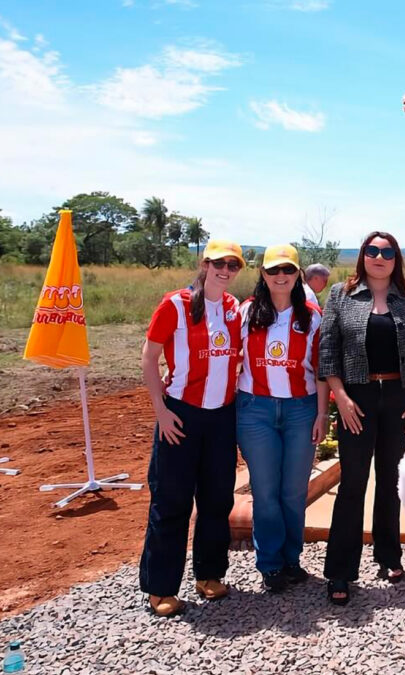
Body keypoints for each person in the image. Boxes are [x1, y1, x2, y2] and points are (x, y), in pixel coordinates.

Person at [319, 231, 405, 604]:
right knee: (352, 483)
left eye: (386, 252)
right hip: (357, 398)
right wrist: (341, 398)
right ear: (363, 256)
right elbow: (328, 351)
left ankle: (388, 555)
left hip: (399, 396)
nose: (379, 257)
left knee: (390, 479)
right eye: (372, 250)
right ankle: (340, 571)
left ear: (396, 258)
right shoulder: (340, 295)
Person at [138, 240, 245, 617]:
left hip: (221, 417)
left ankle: (209, 574)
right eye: (219, 263)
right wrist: (161, 412)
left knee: (217, 500)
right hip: (180, 415)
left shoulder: (234, 309)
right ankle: (160, 587)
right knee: (172, 502)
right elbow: (149, 358)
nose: (226, 270)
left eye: (233, 265)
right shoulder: (175, 304)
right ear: (205, 263)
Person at [236, 244, 329, 592]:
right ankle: (271, 563)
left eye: (287, 270)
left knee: (292, 491)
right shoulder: (245, 312)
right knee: (265, 490)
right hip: (255, 410)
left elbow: (321, 370)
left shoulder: (312, 315)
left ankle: (292, 558)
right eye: (273, 270)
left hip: (300, 410)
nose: (280, 276)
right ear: (262, 274)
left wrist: (322, 413)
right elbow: (227, 357)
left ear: (298, 275)